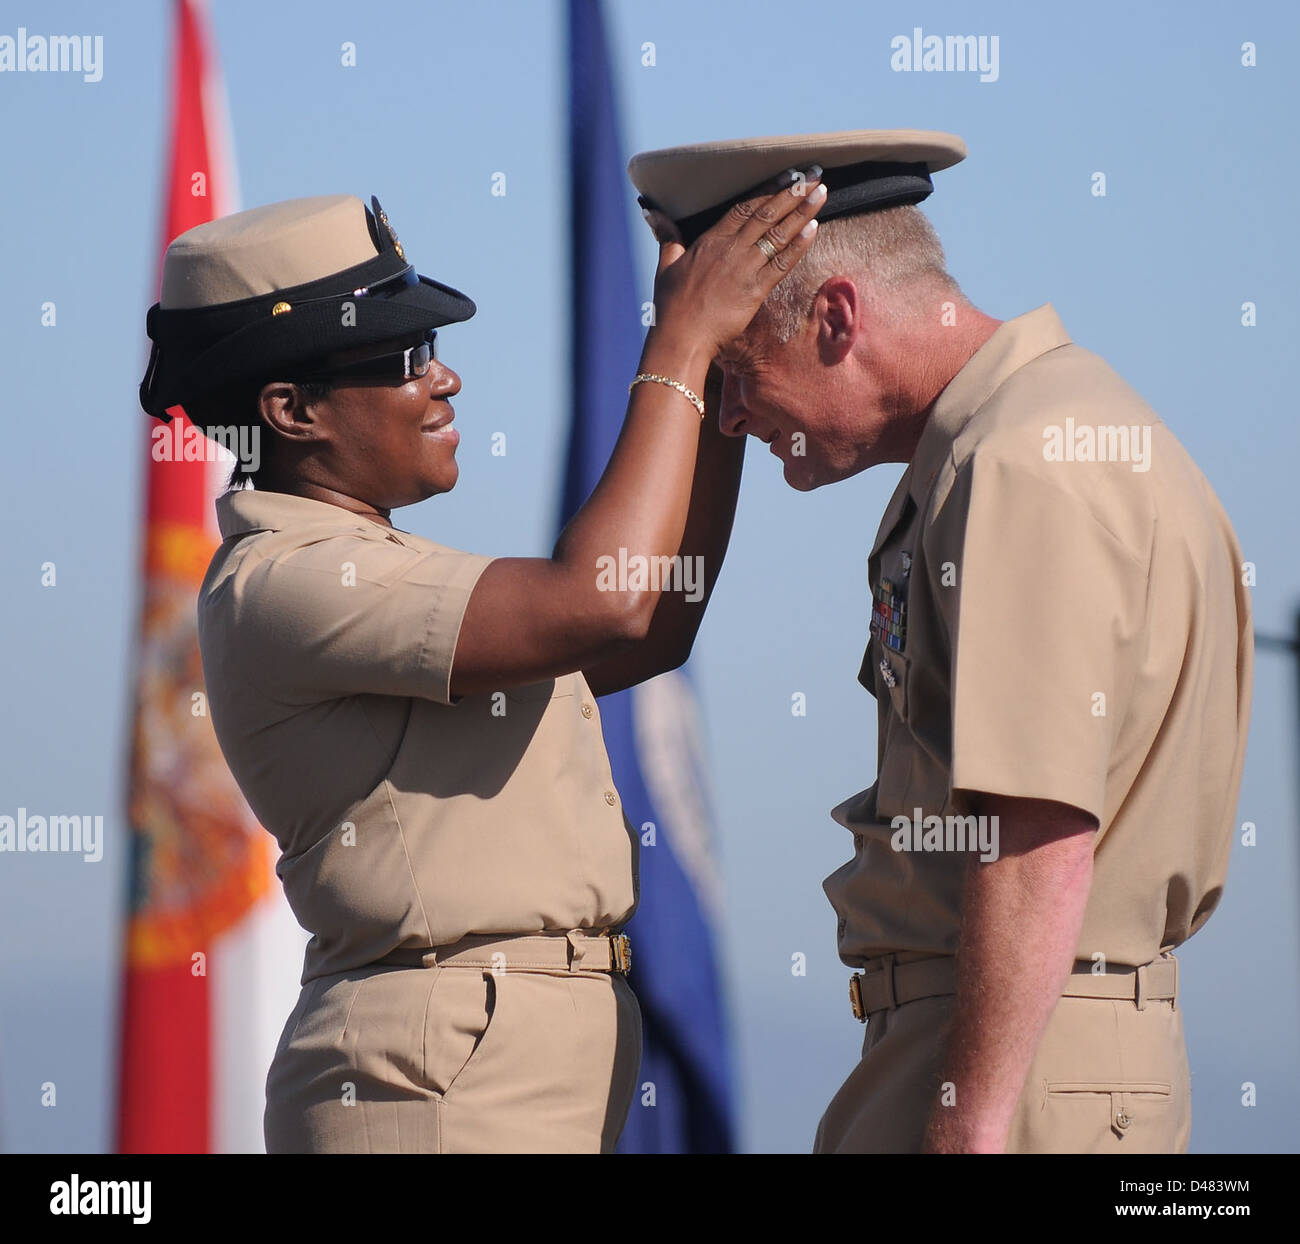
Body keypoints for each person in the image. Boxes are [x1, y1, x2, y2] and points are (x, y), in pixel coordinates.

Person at [137, 180, 826, 1153]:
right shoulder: (285, 578)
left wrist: (710, 365)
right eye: (402, 356)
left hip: (496, 1061)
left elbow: (648, 622)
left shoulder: (372, 565)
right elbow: (604, 598)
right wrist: (677, 343)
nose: (443, 378)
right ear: (290, 410)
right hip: (439, 1081)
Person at [628, 129, 1253, 1153]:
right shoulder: (1041, 431)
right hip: (1040, 1051)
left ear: (834, 316)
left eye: (734, 372)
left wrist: (968, 1126)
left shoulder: (1017, 464)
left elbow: (1035, 834)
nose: (728, 417)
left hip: (1013, 1066)